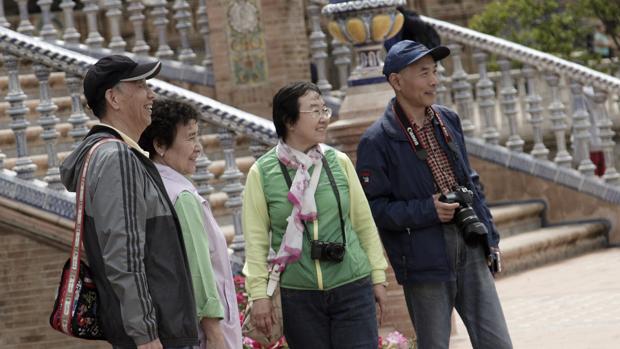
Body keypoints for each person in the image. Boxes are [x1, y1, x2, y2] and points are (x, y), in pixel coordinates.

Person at [356, 40, 513, 349]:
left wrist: (490, 238)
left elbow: (471, 181)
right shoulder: (376, 140)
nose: (434, 81)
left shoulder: (448, 119)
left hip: (469, 242)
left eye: (435, 71)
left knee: (497, 342)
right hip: (422, 255)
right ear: (396, 82)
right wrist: (428, 210)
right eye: (423, 73)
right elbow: (375, 209)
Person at [60, 55, 199, 349]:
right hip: (156, 335)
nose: (152, 94)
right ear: (113, 98)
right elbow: (123, 257)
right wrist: (145, 334)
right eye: (140, 85)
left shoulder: (120, 154)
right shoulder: (116, 158)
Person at [242, 81, 388, 349]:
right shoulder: (262, 173)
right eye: (315, 111)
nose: (324, 118)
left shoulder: (339, 162)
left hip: (352, 286)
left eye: (325, 110)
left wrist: (377, 276)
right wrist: (258, 294)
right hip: (298, 296)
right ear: (290, 121)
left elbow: (364, 223)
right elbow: (256, 241)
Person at [138, 99, 243, 349]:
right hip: (201, 334)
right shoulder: (181, 197)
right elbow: (198, 267)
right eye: (190, 138)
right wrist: (215, 333)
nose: (198, 148)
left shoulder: (149, 185)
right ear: (160, 145)